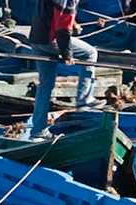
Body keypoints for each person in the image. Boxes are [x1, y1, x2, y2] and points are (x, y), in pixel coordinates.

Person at [27, 0, 97, 139]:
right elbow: (63, 29)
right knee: (90, 53)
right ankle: (84, 99)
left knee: (45, 85)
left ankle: (38, 131)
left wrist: (74, 25)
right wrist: (67, 54)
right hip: (50, 40)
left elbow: (53, 14)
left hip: (36, 39)